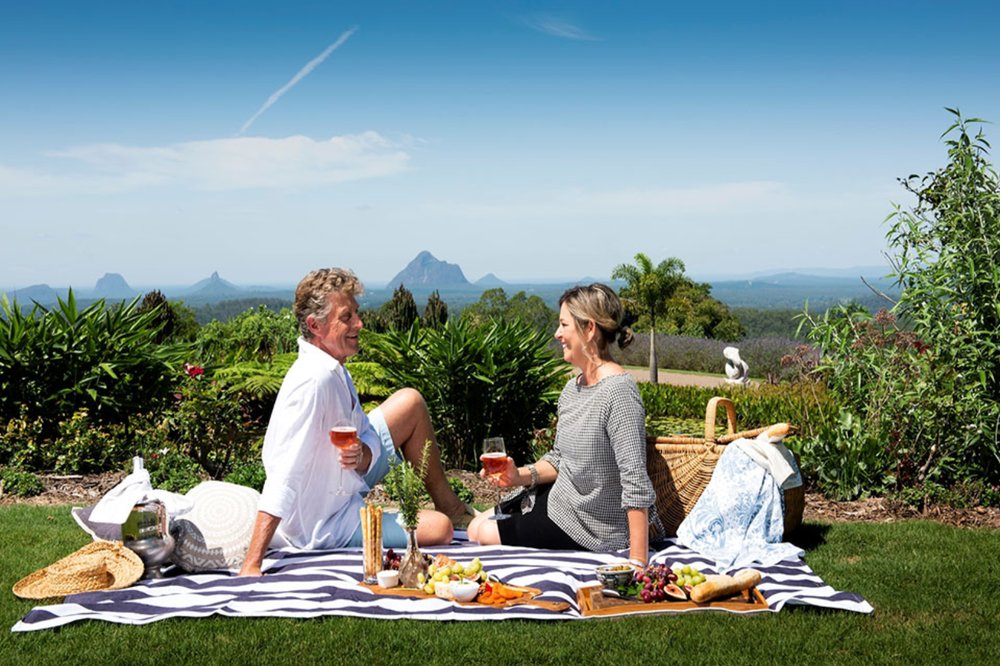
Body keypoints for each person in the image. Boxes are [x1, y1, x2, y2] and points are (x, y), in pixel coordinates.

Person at [239, 268, 474, 577]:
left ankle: (453, 507)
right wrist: (252, 562)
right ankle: (418, 519)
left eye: (356, 314)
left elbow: (363, 432)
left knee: (410, 403)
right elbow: (284, 475)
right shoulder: (313, 382)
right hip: (325, 522)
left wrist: (364, 454)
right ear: (315, 325)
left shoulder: (334, 366)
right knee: (438, 530)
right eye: (346, 317)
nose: (359, 324)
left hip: (345, 480)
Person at [467, 283, 659, 566]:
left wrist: (638, 561)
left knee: (483, 532)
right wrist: (517, 476)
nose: (557, 334)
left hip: (594, 525)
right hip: (561, 499)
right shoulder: (573, 388)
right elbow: (559, 459)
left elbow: (635, 480)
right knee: (473, 528)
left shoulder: (619, 393)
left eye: (563, 325)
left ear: (589, 329)